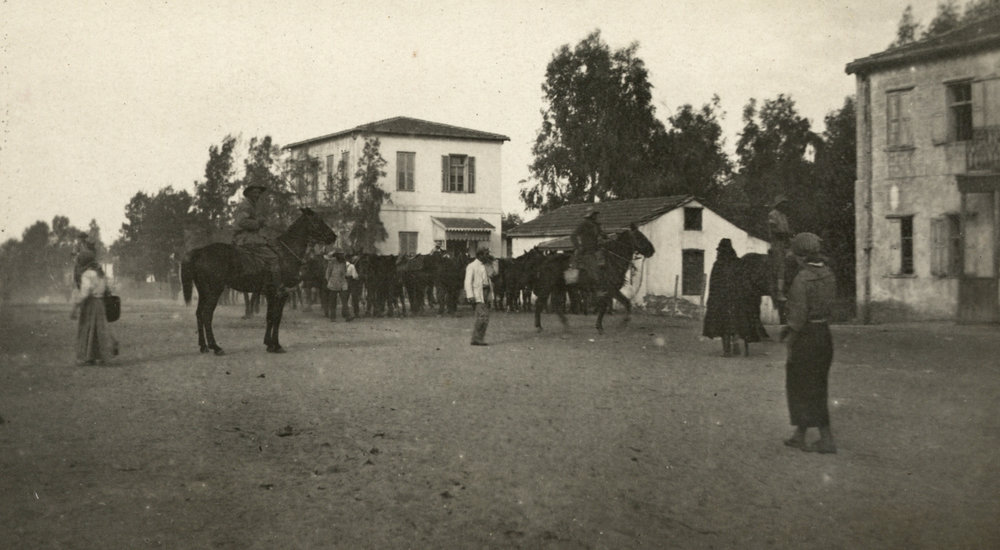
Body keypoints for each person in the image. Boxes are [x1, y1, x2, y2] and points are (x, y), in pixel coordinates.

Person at [781, 232, 838, 454]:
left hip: (806, 337)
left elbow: (798, 315)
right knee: (815, 384)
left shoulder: (802, 279)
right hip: (824, 334)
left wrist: (790, 337)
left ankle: (827, 439)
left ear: (801, 256)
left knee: (800, 385)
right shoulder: (829, 274)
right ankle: (799, 435)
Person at [233, 182, 289, 296]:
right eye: (255, 192)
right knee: (273, 258)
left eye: (259, 193)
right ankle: (278, 288)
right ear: (248, 194)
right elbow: (242, 222)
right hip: (246, 238)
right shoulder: (246, 205)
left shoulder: (251, 205)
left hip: (250, 237)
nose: (257, 195)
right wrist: (258, 223)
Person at [71, 257, 118, 365]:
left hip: (90, 303)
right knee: (99, 329)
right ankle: (100, 356)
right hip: (100, 303)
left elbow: (85, 292)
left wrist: (76, 305)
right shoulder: (101, 274)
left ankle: (87, 357)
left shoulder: (87, 274)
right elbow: (107, 289)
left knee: (88, 329)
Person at [702, 238, 740, 357]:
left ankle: (727, 350)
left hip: (722, 299)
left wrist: (712, 300)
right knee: (735, 323)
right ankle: (736, 345)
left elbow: (714, 283)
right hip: (735, 298)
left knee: (724, 325)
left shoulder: (718, 264)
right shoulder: (737, 263)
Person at [464, 248, 494, 346]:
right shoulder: (471, 266)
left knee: (485, 317)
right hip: (478, 294)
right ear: (480, 255)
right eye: (486, 254)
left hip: (486, 292)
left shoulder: (486, 265)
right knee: (482, 316)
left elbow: (493, 275)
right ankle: (477, 339)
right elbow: (467, 282)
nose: (487, 256)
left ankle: (478, 338)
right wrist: (470, 295)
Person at [570, 209, 606, 285]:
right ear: (589, 215)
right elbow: (573, 236)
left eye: (596, 214)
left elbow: (602, 235)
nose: (596, 216)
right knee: (594, 269)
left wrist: (604, 235)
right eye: (594, 214)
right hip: (587, 251)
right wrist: (578, 247)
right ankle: (597, 289)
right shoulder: (583, 225)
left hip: (597, 251)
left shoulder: (596, 225)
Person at [767, 194, 793, 302]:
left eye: (785, 204)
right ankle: (779, 292)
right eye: (783, 203)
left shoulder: (784, 216)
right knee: (781, 266)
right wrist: (786, 234)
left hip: (785, 243)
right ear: (778, 204)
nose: (785, 206)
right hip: (777, 243)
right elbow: (774, 230)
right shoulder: (773, 214)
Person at [324, 248, 351, 321]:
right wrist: (328, 281)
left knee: (345, 301)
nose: (342, 256)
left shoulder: (344, 262)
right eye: (340, 254)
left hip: (342, 283)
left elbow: (345, 272)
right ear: (337, 255)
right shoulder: (332, 262)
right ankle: (332, 317)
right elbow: (328, 272)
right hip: (333, 284)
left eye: (343, 254)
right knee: (333, 301)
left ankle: (347, 316)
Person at [346, 254, 362, 320]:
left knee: (345, 297)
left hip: (346, 281)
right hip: (353, 282)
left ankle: (345, 312)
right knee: (355, 297)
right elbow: (355, 276)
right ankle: (356, 312)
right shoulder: (352, 266)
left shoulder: (343, 265)